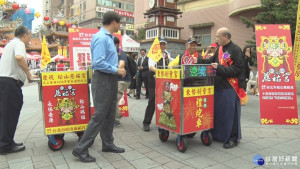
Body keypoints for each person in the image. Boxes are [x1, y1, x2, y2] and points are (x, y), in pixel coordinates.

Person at [72, 11, 126, 163]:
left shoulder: (108, 38)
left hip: (110, 79)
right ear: (114, 22)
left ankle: (108, 143)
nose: (119, 25)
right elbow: (98, 62)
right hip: (103, 79)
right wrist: (116, 69)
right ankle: (81, 148)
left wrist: (117, 69)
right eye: (119, 22)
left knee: (109, 113)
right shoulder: (101, 38)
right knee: (100, 115)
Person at [196, 27, 246, 149]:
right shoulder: (220, 49)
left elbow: (238, 68)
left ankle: (233, 138)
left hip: (230, 86)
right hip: (218, 85)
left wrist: (219, 68)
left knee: (231, 113)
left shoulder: (236, 50)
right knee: (218, 112)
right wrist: (197, 60)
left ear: (226, 37)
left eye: (218, 36)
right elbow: (210, 62)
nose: (216, 39)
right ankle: (219, 135)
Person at [0, 26, 37, 155]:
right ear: (25, 35)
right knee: (9, 115)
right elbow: (20, 58)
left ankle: (8, 142)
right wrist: (29, 74)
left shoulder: (11, 44)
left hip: (4, 83)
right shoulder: (19, 43)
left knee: (6, 115)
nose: (30, 39)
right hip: (10, 84)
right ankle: (5, 146)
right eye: (30, 36)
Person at [143, 36, 173, 131]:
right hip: (154, 80)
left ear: (166, 45)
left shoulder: (167, 54)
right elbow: (151, 67)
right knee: (152, 100)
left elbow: (171, 63)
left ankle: (165, 121)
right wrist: (160, 72)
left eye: (164, 44)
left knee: (166, 101)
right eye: (161, 44)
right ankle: (146, 122)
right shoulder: (153, 54)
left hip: (165, 82)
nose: (162, 46)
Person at [113, 37, 131, 127]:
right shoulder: (114, 52)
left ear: (115, 44)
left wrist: (116, 68)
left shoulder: (121, 52)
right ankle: (118, 114)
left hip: (123, 80)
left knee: (114, 99)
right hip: (117, 80)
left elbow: (122, 64)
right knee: (113, 98)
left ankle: (116, 121)